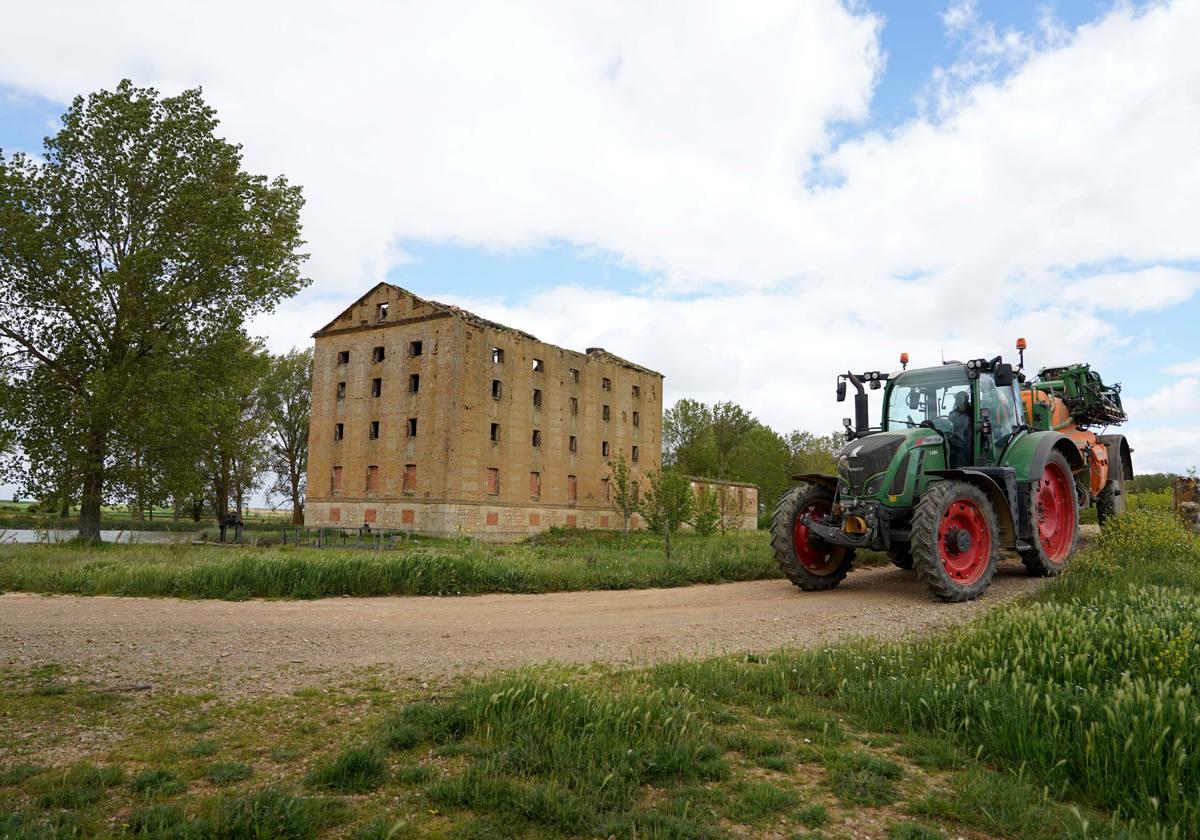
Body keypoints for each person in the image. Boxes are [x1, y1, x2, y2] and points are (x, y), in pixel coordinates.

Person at [948, 390, 972, 467]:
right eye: (958, 399)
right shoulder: (952, 414)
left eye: (962, 399)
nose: (960, 402)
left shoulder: (973, 413)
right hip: (955, 442)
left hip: (969, 442)